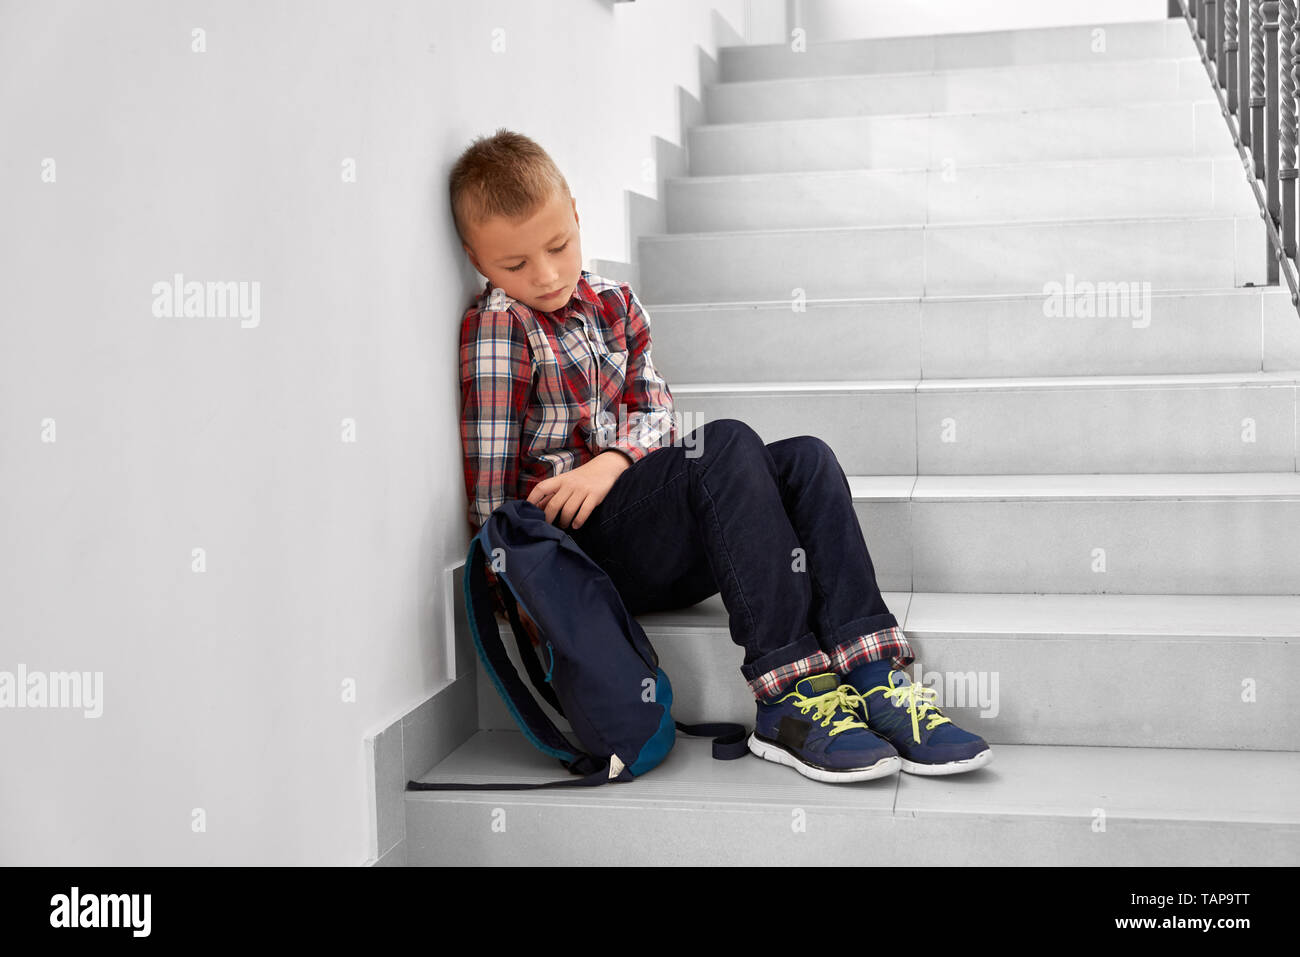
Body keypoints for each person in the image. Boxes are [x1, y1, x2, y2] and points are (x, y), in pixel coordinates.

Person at [451, 128, 992, 781]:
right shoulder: (501, 326)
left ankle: (875, 676)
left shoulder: (615, 304)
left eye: (559, 245)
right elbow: (491, 506)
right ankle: (788, 698)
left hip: (638, 518)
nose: (545, 273)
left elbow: (655, 413)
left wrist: (613, 461)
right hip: (585, 556)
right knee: (727, 440)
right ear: (476, 258)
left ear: (574, 210)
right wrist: (531, 608)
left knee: (806, 460)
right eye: (514, 265)